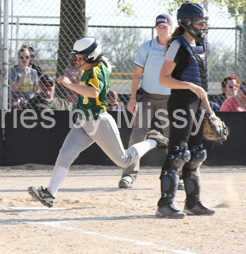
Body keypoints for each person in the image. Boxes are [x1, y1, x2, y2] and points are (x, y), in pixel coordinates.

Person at [27, 37, 169, 208]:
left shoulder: (96, 70)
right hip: (83, 121)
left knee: (123, 160)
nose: (77, 61)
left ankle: (153, 140)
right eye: (77, 57)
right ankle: (50, 194)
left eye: (81, 57)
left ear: (92, 56)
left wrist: (68, 84)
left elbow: (93, 92)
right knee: (65, 154)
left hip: (99, 122)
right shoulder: (92, 68)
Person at [155, 2, 216, 219]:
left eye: (204, 22)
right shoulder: (177, 45)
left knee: (197, 153)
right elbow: (164, 79)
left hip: (197, 105)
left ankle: (193, 203)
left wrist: (210, 112)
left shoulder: (203, 46)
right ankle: (165, 204)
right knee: (178, 153)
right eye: (200, 22)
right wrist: (189, 86)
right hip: (181, 103)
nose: (203, 26)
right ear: (188, 22)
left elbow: (202, 87)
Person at [119, 14, 173, 189]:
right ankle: (128, 175)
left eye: (164, 27)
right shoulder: (146, 47)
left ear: (171, 28)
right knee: (137, 134)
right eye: (158, 27)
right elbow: (137, 75)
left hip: (169, 98)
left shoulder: (177, 48)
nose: (161, 30)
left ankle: (175, 175)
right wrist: (132, 98)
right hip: (147, 95)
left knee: (173, 135)